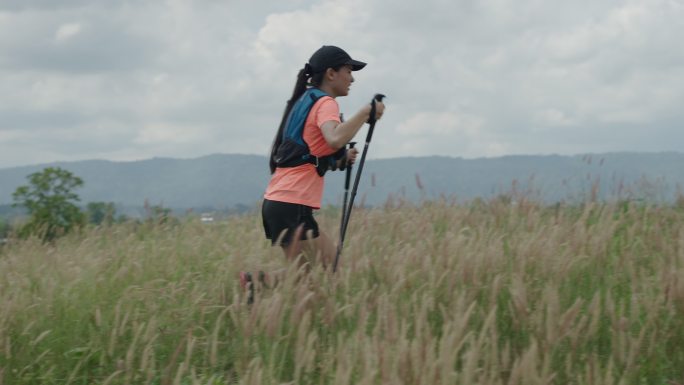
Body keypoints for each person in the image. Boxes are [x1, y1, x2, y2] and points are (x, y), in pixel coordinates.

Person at [240, 45, 385, 302]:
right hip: (290, 204)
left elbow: (311, 151)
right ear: (331, 73)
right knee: (321, 274)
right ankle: (256, 286)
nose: (352, 78)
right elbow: (334, 138)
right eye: (348, 71)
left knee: (316, 273)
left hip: (281, 203)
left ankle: (256, 284)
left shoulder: (305, 102)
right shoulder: (325, 102)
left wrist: (339, 160)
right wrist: (365, 113)